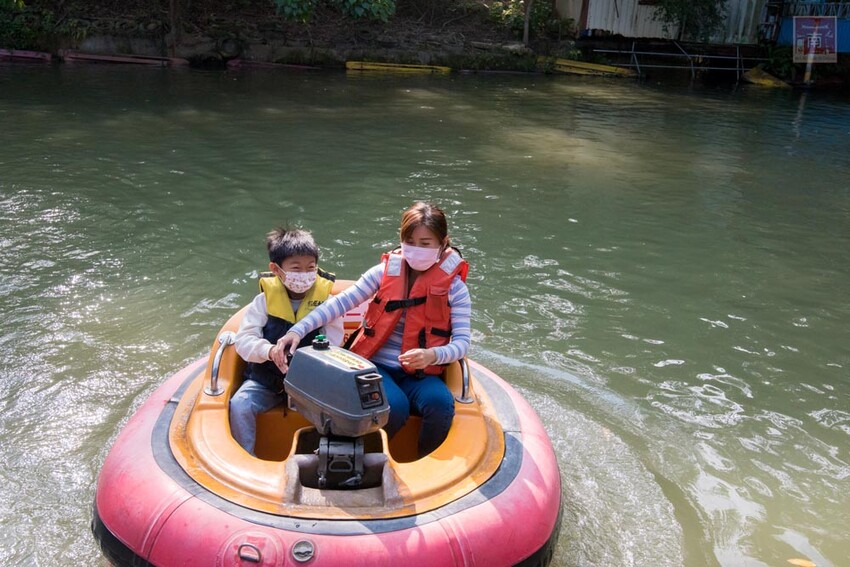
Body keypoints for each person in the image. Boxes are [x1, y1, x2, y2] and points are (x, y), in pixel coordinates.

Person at [276, 202, 471, 457]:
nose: (416, 249)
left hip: (422, 371)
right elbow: (339, 304)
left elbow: (462, 343)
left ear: (442, 243)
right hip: (377, 367)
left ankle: (425, 461)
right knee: (393, 407)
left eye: (425, 243)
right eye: (410, 242)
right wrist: (298, 330)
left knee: (440, 404)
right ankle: (366, 459)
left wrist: (432, 355)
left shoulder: (455, 289)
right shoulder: (383, 273)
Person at [230, 227, 344, 456]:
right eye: (296, 268)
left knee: (339, 409)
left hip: (311, 383)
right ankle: (246, 458)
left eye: (310, 267)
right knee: (240, 405)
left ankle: (325, 457)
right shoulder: (263, 301)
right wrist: (269, 350)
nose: (304, 274)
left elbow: (335, 342)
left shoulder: (328, 302)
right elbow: (244, 341)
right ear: (276, 269)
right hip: (266, 381)